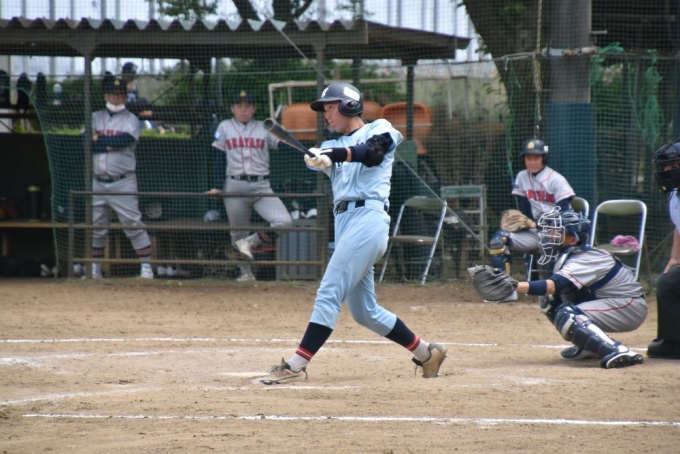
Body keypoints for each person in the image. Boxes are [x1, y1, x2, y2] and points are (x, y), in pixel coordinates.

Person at [258, 82, 447, 385]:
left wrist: (334, 154)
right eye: (324, 110)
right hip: (346, 223)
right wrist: (318, 157)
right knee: (364, 312)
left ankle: (295, 366)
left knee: (329, 290)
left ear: (349, 105)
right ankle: (427, 353)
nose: (326, 114)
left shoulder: (379, 128)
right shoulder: (333, 145)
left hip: (369, 219)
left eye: (330, 107)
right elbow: (329, 158)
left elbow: (372, 153)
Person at [513, 207, 646, 369]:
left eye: (557, 232)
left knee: (568, 313)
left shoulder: (586, 258)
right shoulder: (571, 255)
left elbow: (551, 286)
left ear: (572, 239)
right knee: (551, 300)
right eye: (550, 231)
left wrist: (513, 285)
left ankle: (617, 350)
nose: (550, 235)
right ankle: (590, 345)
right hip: (610, 301)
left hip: (628, 306)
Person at [206, 89, 293, 282]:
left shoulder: (265, 127)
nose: (243, 109)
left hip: (261, 186)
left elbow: (285, 146)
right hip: (234, 186)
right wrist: (218, 186)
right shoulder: (225, 126)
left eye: (247, 106)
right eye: (239, 105)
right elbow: (219, 158)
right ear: (232, 108)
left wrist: (308, 153)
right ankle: (245, 272)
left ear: (254, 109)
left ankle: (250, 243)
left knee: (284, 222)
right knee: (238, 231)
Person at [488, 138, 576, 302]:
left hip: (558, 231)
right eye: (528, 158)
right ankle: (504, 291)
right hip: (536, 231)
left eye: (536, 157)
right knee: (498, 240)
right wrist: (525, 222)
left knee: (551, 244)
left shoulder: (556, 179)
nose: (532, 162)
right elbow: (525, 209)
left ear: (544, 158)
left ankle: (552, 294)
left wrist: (543, 225)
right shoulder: (522, 177)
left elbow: (564, 213)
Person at [90, 77, 153, 279]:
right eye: (112, 94)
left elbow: (124, 140)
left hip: (123, 181)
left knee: (133, 224)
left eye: (120, 95)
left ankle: (146, 267)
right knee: (96, 226)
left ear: (125, 97)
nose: (116, 98)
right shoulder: (94, 117)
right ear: (105, 96)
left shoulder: (131, 119)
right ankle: (95, 269)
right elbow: (84, 142)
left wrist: (100, 140)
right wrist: (108, 144)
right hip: (97, 181)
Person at [647, 139, 680, 359]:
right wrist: (675, 257)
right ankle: (672, 341)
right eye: (666, 165)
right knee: (668, 280)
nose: (668, 170)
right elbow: (679, 227)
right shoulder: (675, 195)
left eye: (674, 165)